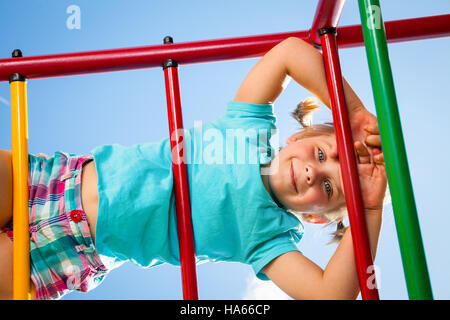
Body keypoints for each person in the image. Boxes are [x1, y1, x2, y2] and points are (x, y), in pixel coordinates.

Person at [0, 37, 387, 300]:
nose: (311, 173)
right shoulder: (249, 132)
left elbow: (329, 293)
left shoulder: (269, 238)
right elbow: (289, 53)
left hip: (72, 251)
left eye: (330, 189)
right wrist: (351, 112)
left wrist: (368, 209)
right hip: (48, 181)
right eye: (321, 156)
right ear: (297, 140)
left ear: (317, 219)